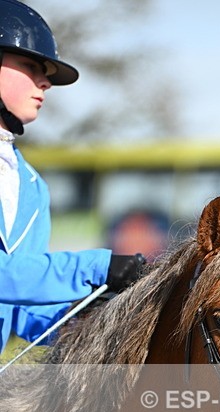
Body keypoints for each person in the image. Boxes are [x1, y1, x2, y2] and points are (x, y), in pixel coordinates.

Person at [0, 0, 145, 354]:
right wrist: (97, 267)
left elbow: (23, 311)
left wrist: (91, 315)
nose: (45, 83)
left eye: (46, 73)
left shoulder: (34, 187)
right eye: (30, 65)